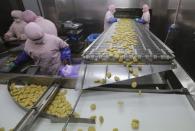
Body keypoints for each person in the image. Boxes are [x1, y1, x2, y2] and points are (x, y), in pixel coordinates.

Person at [8, 22, 79, 77]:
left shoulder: (53, 39)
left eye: (40, 38)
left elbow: (65, 47)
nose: (39, 41)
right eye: (35, 40)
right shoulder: (28, 43)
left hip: (57, 68)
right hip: (42, 70)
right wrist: (16, 62)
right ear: (29, 37)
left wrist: (65, 56)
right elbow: (25, 54)